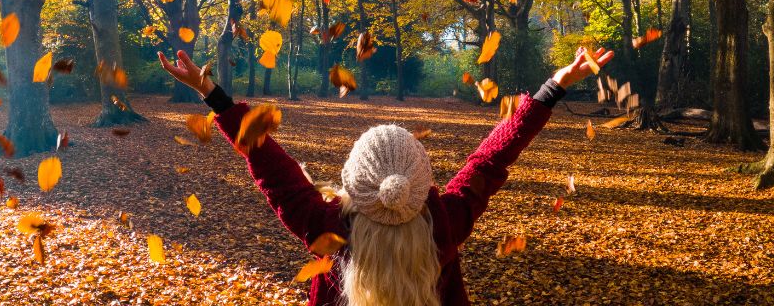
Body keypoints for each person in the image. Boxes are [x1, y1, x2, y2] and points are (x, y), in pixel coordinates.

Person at [158, 47, 604, 306]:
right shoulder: (444, 223)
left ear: (355, 179)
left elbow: (271, 165)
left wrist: (213, 94)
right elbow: (491, 159)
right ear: (420, 177)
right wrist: (551, 89)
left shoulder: (327, 227)